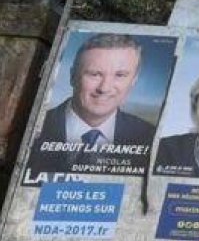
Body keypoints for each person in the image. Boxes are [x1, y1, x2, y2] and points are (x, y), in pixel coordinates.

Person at [27, 33, 157, 177]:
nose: (104, 88)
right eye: (95, 74)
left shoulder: (151, 138)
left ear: (133, 81)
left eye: (120, 75)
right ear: (72, 76)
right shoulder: (32, 128)